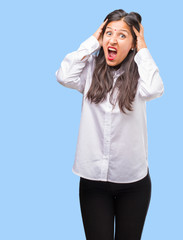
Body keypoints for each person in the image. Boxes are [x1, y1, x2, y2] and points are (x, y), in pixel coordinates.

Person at [55, 9, 164, 240]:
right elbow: (64, 75)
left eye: (122, 35)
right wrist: (93, 40)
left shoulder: (140, 76)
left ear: (133, 43)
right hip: (93, 181)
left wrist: (143, 48)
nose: (113, 40)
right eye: (108, 33)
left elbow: (155, 88)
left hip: (133, 183)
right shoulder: (90, 70)